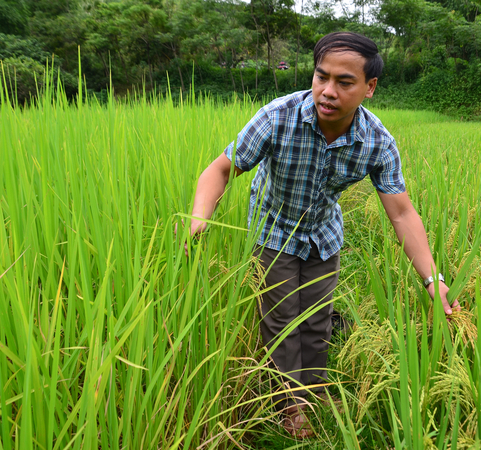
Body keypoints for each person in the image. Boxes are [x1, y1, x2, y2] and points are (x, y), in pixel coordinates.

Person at [185, 32, 460, 438]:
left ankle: (313, 387)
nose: (328, 91)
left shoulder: (376, 141)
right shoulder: (278, 116)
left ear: (369, 88)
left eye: (344, 82)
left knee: (316, 319)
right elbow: (222, 169)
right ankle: (289, 404)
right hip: (273, 228)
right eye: (321, 77)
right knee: (281, 320)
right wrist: (198, 216)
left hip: (323, 232)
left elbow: (401, 213)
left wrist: (432, 279)